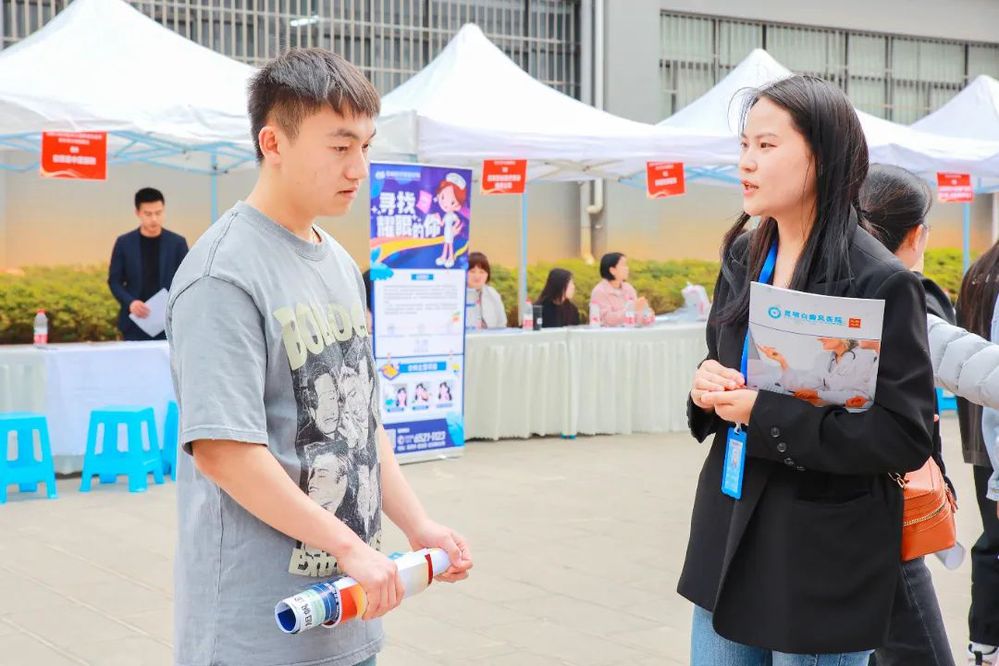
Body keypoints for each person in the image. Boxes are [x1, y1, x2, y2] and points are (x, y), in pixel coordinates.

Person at [165, 48, 472, 666]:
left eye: (366, 145)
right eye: (339, 146)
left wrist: (416, 525)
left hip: (350, 607)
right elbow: (225, 452)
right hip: (259, 628)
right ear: (273, 142)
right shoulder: (221, 275)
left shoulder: (337, 261)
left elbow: (363, 424)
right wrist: (351, 547)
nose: (359, 167)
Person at [684, 76, 935, 663]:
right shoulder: (744, 256)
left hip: (823, 553)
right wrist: (705, 386)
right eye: (744, 145)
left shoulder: (879, 280)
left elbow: (903, 435)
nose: (747, 162)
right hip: (729, 528)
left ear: (822, 156)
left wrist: (766, 414)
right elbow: (721, 358)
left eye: (767, 146)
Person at [860, 163, 956, 666]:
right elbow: (969, 362)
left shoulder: (817, 283)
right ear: (917, 235)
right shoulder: (907, 295)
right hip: (886, 505)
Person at [957, 243, 999, 666]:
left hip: (979, 433)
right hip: (994, 431)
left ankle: (983, 643)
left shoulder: (979, 271)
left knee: (991, 541)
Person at [108, 187, 188, 341]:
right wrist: (130, 302)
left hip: (169, 322)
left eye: (159, 213)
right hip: (134, 323)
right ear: (137, 213)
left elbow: (186, 279)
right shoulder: (124, 243)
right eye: (148, 214)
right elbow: (114, 281)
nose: (154, 219)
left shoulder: (177, 243)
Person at [757, 337, 878, 409]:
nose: (820, 338)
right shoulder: (823, 358)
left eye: (826, 334)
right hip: (825, 411)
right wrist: (782, 361)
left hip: (849, 415)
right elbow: (804, 386)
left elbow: (861, 396)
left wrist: (818, 394)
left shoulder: (865, 356)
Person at [589, 252, 654, 326]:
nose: (627, 268)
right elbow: (607, 319)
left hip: (629, 331)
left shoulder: (628, 288)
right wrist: (632, 309)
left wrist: (645, 315)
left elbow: (635, 316)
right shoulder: (599, 291)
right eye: (623, 265)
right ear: (612, 270)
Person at [466, 252, 506, 328]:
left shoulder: (493, 293)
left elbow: (502, 324)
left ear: (487, 275)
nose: (477, 276)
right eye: (472, 271)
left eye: (482, 272)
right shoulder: (458, 293)